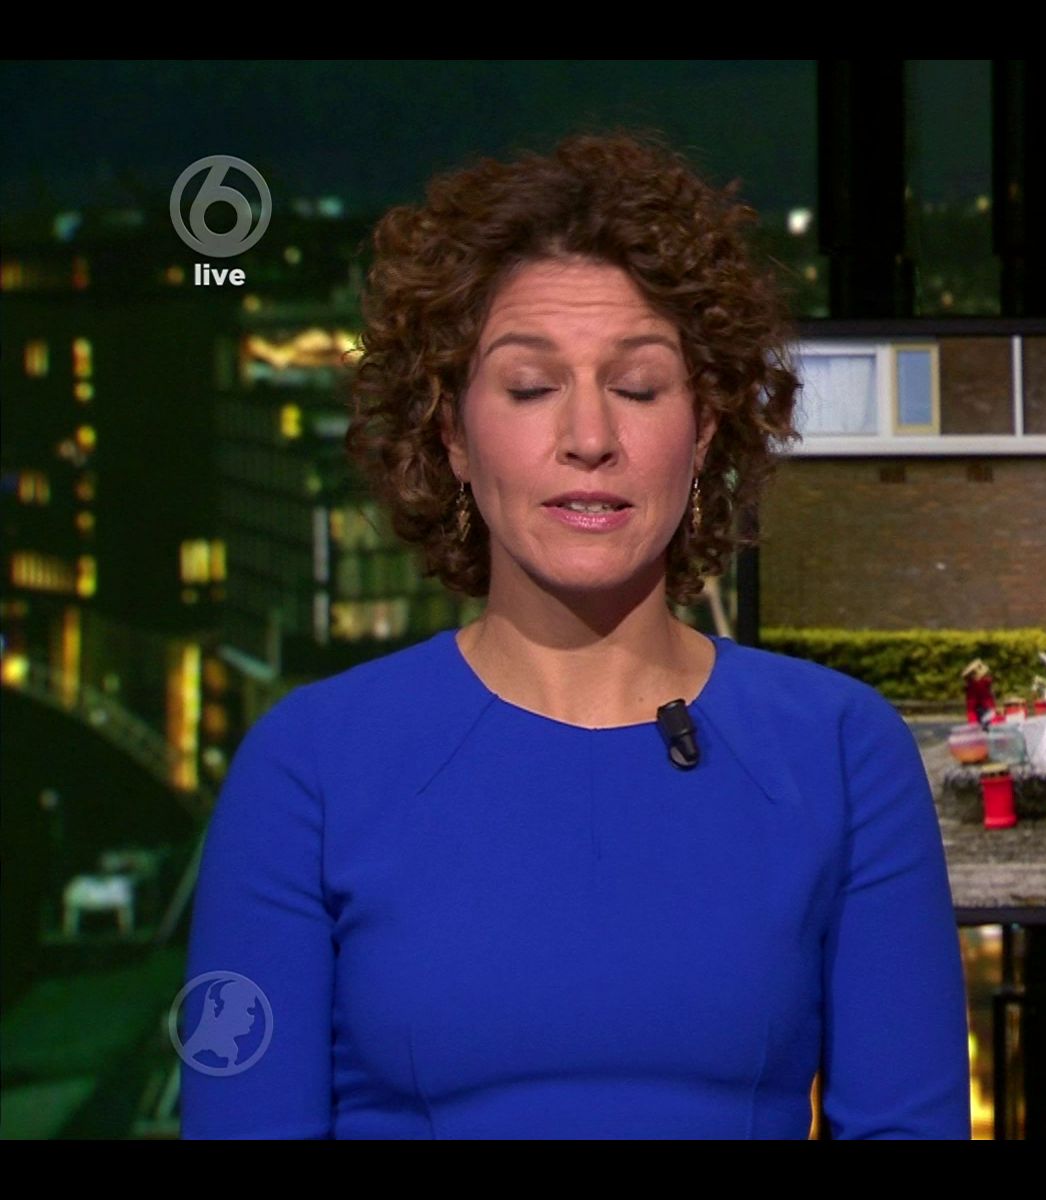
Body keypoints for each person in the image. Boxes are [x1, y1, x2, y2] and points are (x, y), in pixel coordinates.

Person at [178, 130, 971, 1139]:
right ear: (453, 433)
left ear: (705, 428)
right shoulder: (310, 768)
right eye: (529, 387)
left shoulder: (843, 753)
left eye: (638, 388)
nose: (590, 439)